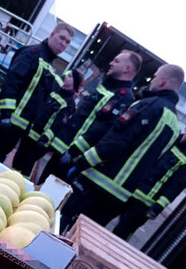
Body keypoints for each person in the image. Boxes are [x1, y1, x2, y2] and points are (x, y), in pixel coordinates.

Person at [60, 63, 185, 233]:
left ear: (163, 81)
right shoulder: (176, 126)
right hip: (121, 196)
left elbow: (116, 142)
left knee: (62, 220)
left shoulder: (148, 105)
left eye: (155, 76)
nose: (152, 80)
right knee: (83, 235)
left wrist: (81, 162)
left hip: (97, 181)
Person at [0, 21, 74, 174]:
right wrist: (6, 114)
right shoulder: (33, 53)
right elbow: (12, 81)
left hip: (16, 127)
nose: (63, 44)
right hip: (4, 122)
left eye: (67, 42)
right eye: (61, 38)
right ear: (52, 34)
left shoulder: (47, 62)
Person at [112, 117, 186, 240]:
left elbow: (175, 188)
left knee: (119, 236)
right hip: (127, 189)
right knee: (100, 220)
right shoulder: (169, 139)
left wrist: (156, 208)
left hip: (144, 205)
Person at [59, 50, 142, 181]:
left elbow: (101, 129)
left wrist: (74, 151)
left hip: (76, 156)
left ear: (127, 68)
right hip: (66, 147)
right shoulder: (106, 87)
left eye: (116, 61)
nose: (111, 63)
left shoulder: (124, 97)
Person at [25, 68, 84, 184]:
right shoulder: (54, 92)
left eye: (70, 76)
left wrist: (45, 138)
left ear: (75, 83)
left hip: (41, 140)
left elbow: (58, 125)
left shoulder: (70, 104)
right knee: (19, 160)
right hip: (31, 132)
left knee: (28, 165)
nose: (66, 77)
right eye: (67, 74)